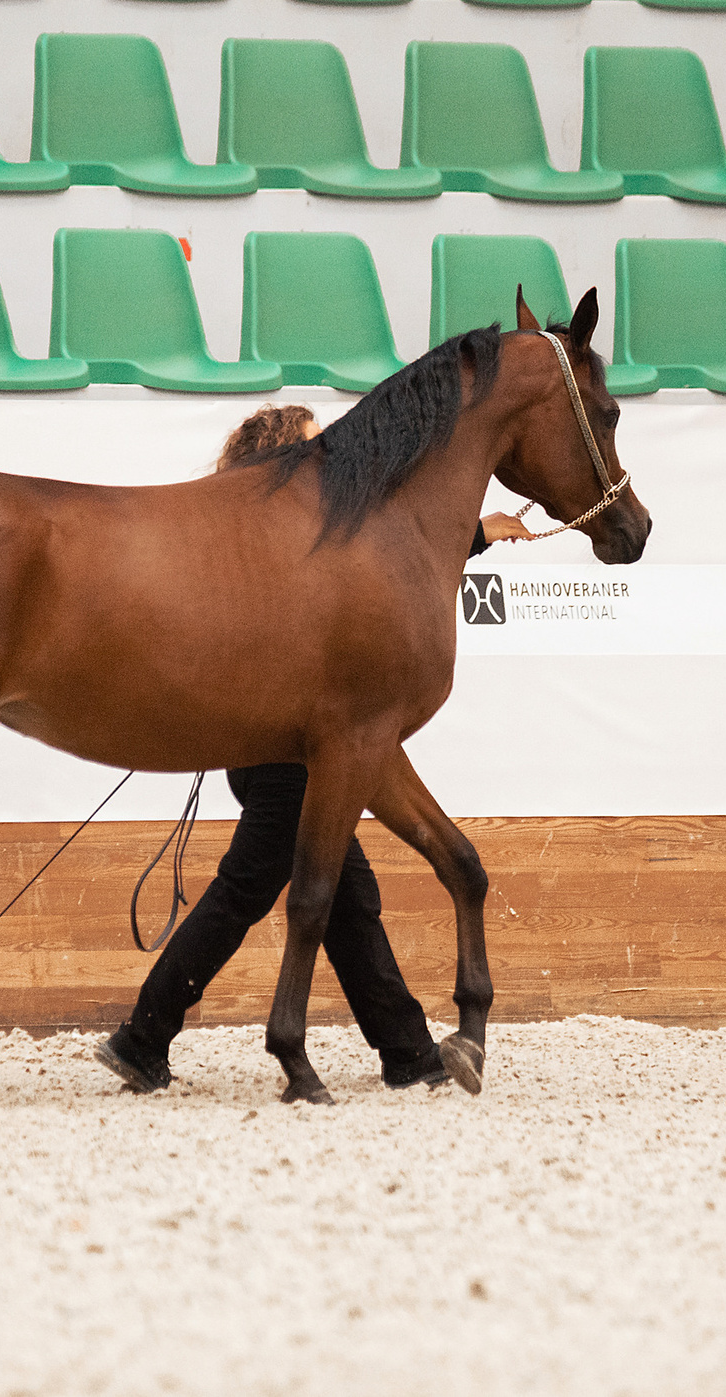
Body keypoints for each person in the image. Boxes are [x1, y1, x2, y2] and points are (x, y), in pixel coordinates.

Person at [95, 403, 528, 1096]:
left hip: (290, 745)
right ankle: (144, 1033)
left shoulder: (265, 541)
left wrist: (471, 537)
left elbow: (367, 572)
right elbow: (349, 582)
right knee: (252, 887)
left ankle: (407, 1050)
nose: (326, 457)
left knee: (350, 897)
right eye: (310, 446)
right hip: (284, 750)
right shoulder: (283, 538)